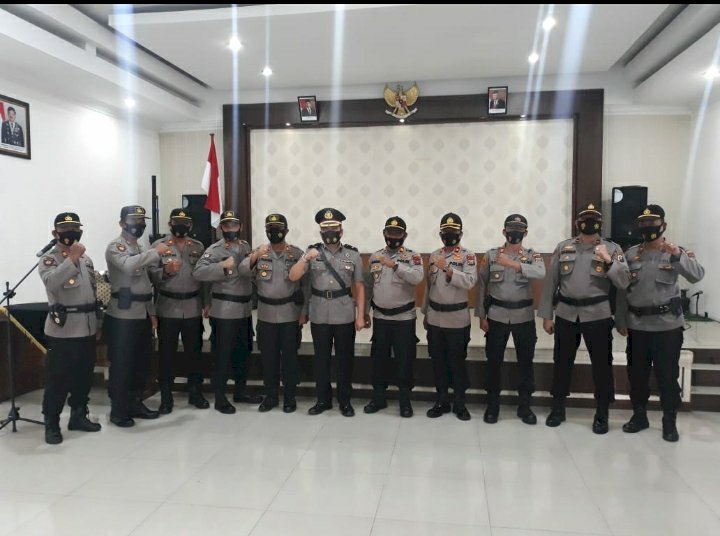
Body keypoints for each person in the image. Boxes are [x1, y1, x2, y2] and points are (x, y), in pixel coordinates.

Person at [538, 203, 631, 434]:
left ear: (600, 224)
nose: (589, 223)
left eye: (594, 220)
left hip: (597, 314)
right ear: (577, 223)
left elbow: (624, 282)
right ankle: (557, 408)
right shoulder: (564, 247)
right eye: (585, 219)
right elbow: (551, 283)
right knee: (562, 363)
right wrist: (547, 315)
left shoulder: (612, 248)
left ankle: (602, 412)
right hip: (566, 313)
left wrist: (608, 260)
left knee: (602, 365)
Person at [615, 205, 705, 442]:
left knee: (667, 376)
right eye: (643, 223)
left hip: (667, 327)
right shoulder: (630, 254)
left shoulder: (676, 252)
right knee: (637, 375)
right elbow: (623, 290)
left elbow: (697, 275)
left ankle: (669, 420)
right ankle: (639, 416)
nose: (648, 227)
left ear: (663, 225)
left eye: (653, 222)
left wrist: (677, 255)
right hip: (637, 326)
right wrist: (621, 319)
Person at [288, 208, 365, 417]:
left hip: (344, 313)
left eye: (334, 227)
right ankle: (323, 400)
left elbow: (359, 286)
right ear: (320, 231)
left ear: (341, 230)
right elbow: (294, 277)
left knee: (344, 360)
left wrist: (360, 315)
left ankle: (345, 401)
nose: (330, 231)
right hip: (319, 313)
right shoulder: (311, 252)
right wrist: (305, 258)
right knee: (321, 360)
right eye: (326, 227)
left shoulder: (352, 255)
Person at [475, 214, 546, 425]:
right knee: (493, 362)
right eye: (511, 229)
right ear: (504, 231)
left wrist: (515, 265)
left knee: (525, 362)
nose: (515, 233)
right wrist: (481, 315)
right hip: (496, 315)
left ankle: (525, 406)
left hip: (523, 316)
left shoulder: (532, 255)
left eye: (519, 229)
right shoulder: (491, 255)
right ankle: (492, 406)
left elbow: (541, 273)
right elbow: (481, 285)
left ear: (525, 233)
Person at [38, 212, 102, 444]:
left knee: (84, 377)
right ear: (55, 233)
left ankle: (78, 416)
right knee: (58, 380)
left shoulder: (86, 259)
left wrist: (97, 323)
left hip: (87, 326)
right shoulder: (49, 259)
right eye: (65, 229)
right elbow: (51, 283)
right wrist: (71, 259)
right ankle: (52, 423)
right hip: (63, 330)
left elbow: (92, 292)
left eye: (75, 228)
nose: (71, 233)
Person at [105, 205, 169, 427]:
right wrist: (155, 252)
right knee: (122, 364)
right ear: (122, 223)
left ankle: (135, 403)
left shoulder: (140, 248)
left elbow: (146, 283)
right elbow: (128, 266)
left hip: (142, 313)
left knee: (140, 363)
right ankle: (118, 410)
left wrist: (152, 312)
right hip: (122, 315)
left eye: (142, 221)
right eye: (134, 220)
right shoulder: (116, 247)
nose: (139, 224)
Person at [193, 209, 259, 414]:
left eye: (234, 225)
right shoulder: (214, 250)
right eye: (227, 225)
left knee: (243, 352)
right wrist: (222, 265)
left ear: (240, 227)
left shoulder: (245, 246)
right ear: (221, 228)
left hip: (244, 310)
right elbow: (198, 272)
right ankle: (220, 397)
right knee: (222, 355)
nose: (231, 228)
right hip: (224, 310)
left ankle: (240, 391)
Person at [241, 213, 309, 413]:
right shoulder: (259, 252)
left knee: (289, 358)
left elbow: (306, 286)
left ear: (286, 230)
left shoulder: (296, 254)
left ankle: (289, 397)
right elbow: (242, 272)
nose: (274, 232)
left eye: (278, 228)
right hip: (266, 314)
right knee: (268, 358)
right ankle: (270, 396)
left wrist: (304, 312)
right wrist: (255, 255)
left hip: (290, 314)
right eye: (270, 229)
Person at [149, 209, 210, 414]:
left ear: (190, 225)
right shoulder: (159, 246)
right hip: (168, 306)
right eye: (176, 222)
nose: (180, 226)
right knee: (167, 355)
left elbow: (204, 277)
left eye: (184, 222)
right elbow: (149, 275)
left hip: (192, 306)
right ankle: (166, 396)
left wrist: (207, 301)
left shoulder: (198, 246)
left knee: (195, 353)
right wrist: (165, 271)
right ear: (170, 224)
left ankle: (195, 393)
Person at [363, 217, 424, 418]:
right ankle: (378, 398)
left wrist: (396, 265)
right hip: (380, 317)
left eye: (398, 233)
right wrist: (364, 312)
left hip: (404, 319)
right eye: (390, 232)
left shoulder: (413, 257)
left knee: (404, 361)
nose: (393, 236)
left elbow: (417, 278)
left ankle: (405, 401)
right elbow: (369, 287)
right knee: (378, 360)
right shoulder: (375, 257)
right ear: (384, 233)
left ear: (404, 235)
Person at [422, 213, 477, 421]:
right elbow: (429, 286)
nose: (449, 235)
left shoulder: (468, 256)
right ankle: (442, 400)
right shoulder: (434, 255)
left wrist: (447, 268)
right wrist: (426, 313)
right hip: (435, 317)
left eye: (453, 232)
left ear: (460, 234)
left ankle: (460, 403)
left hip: (457, 319)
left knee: (457, 363)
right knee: (438, 362)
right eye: (446, 232)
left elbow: (469, 281)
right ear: (440, 234)